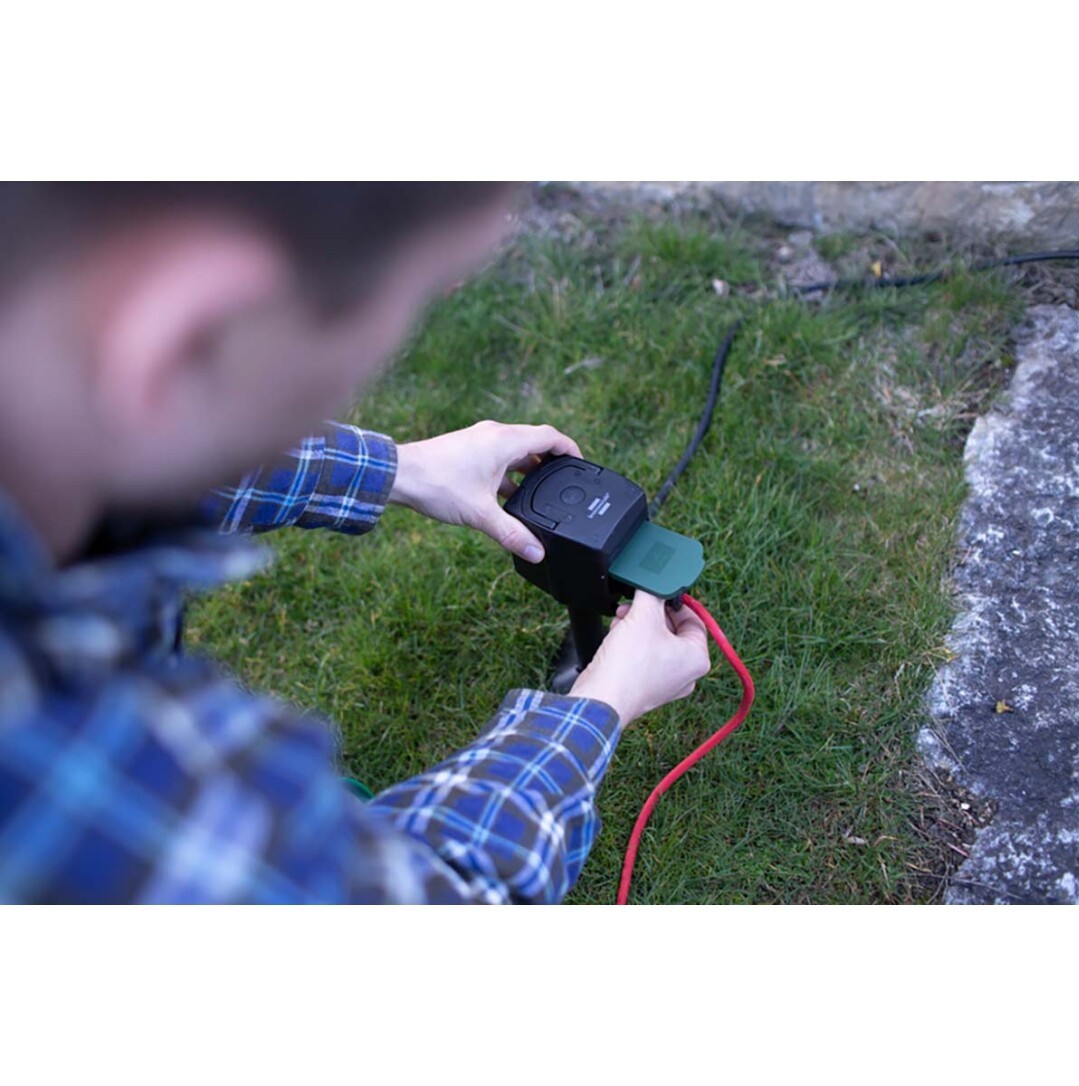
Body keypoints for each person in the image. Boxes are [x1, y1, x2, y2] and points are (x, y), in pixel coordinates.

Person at [0, 182, 710, 903]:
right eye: (412, 302)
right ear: (181, 336)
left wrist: (397, 469)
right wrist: (600, 706)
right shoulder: (55, 775)